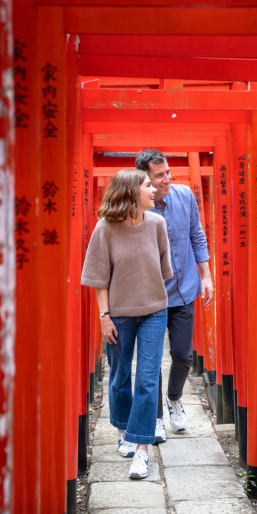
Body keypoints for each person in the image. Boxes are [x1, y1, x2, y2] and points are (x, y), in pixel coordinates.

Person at [81, 169, 172, 479]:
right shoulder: (105, 229)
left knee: (147, 380)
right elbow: (99, 279)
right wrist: (104, 317)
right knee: (120, 376)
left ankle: (141, 450)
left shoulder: (158, 224)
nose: (154, 189)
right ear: (131, 192)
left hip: (154, 312)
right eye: (148, 185)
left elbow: (163, 269)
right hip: (118, 313)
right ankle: (122, 429)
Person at [135, 149, 213, 442]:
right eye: (159, 175)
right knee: (150, 360)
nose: (167, 178)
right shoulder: (138, 207)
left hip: (184, 290)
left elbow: (197, 233)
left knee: (183, 355)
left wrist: (206, 275)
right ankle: (154, 418)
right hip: (152, 297)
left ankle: (174, 398)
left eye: (167, 171)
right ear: (146, 179)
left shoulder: (185, 196)